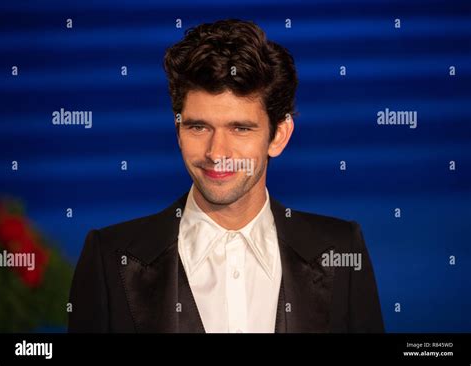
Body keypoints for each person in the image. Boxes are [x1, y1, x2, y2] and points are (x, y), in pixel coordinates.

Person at [68, 19, 384, 333]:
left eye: (240, 128)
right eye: (198, 127)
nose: (217, 152)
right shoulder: (109, 258)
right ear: (178, 131)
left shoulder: (342, 250)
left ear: (278, 136)